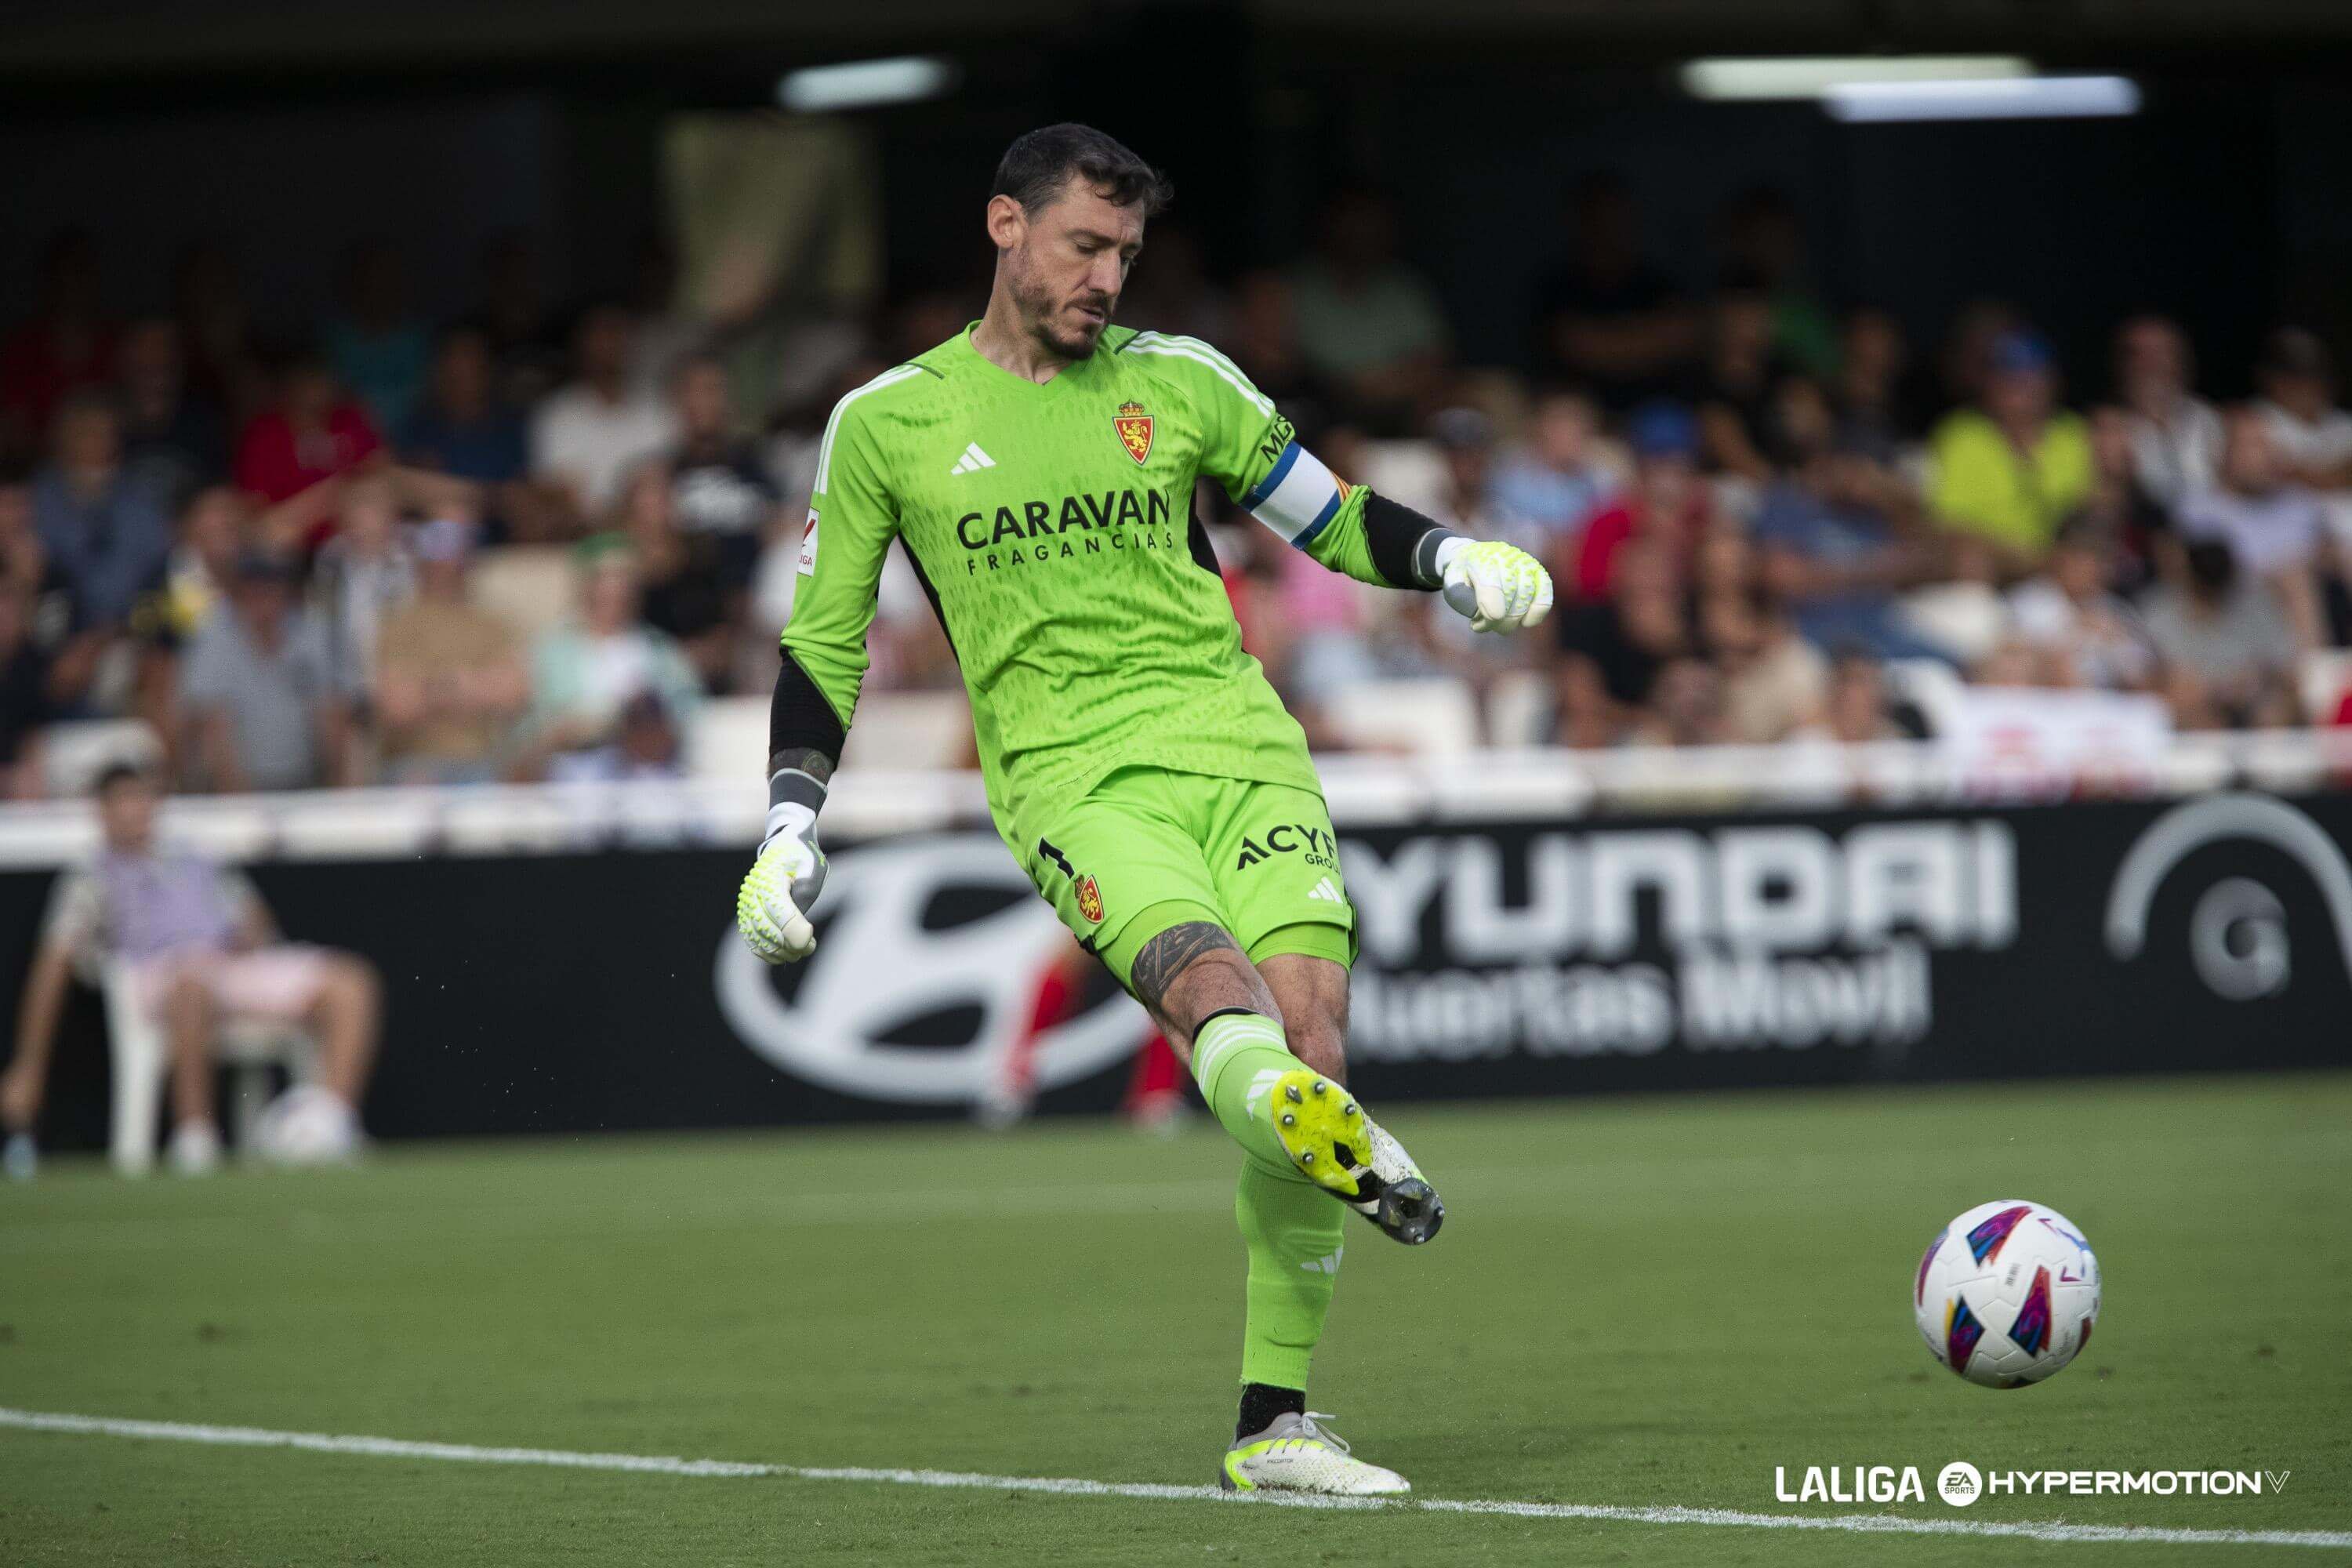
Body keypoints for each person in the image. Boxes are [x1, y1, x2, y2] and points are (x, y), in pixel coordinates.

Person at [735, 124, 1554, 1497]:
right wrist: (788, 821)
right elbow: (826, 641)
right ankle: (1315, 1144)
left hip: (1243, 747)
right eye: (1083, 245)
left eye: (1125, 253)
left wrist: (1452, 560)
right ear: (1005, 226)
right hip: (1075, 779)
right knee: (1216, 997)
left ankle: (1275, 1425)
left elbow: (1329, 516)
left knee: (1311, 1037)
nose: (1107, 278)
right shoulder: (887, 421)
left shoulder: (1180, 381)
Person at [0, 763, 381, 1174]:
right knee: (190, 985)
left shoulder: (196, 859)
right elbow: (53, 965)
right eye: (121, 800)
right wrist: (29, 1066)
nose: (133, 810)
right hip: (158, 977)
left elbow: (256, 923)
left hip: (229, 968)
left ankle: (326, 1126)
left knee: (350, 982)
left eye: (140, 798)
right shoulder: (88, 879)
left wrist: (249, 935)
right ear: (102, 811)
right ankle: (195, 1138)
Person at [178, 549, 361, 791]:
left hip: (305, 780)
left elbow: (334, 713)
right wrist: (241, 803)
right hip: (234, 786)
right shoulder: (214, 636)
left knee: (338, 716)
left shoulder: (313, 632)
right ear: (240, 594)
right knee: (211, 725)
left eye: (271, 589)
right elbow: (212, 723)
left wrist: (335, 794)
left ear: (287, 592)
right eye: (254, 591)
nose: (263, 600)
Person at [373, 517, 527, 784]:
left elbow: (514, 695)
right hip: (414, 763)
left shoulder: (491, 623)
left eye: (455, 555)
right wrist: (467, 686)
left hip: (481, 762)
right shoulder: (398, 624)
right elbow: (397, 706)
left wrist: (430, 689)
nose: (447, 566)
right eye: (439, 556)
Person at [1927, 329, 2093, 562]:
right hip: (1996, 563)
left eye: (2033, 376)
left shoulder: (2073, 433)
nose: (2023, 389)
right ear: (1989, 383)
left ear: (2053, 382)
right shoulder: (1961, 435)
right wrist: (2028, 558)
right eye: (2011, 378)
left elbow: (2093, 507)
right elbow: (1948, 526)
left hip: (2069, 563)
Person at [528, 304, 680, 518]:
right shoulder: (557, 413)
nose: (609, 347)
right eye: (600, 337)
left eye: (616, 335)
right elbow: (556, 493)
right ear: (582, 346)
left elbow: (667, 483)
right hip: (579, 531)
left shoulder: (658, 411)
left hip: (645, 529)